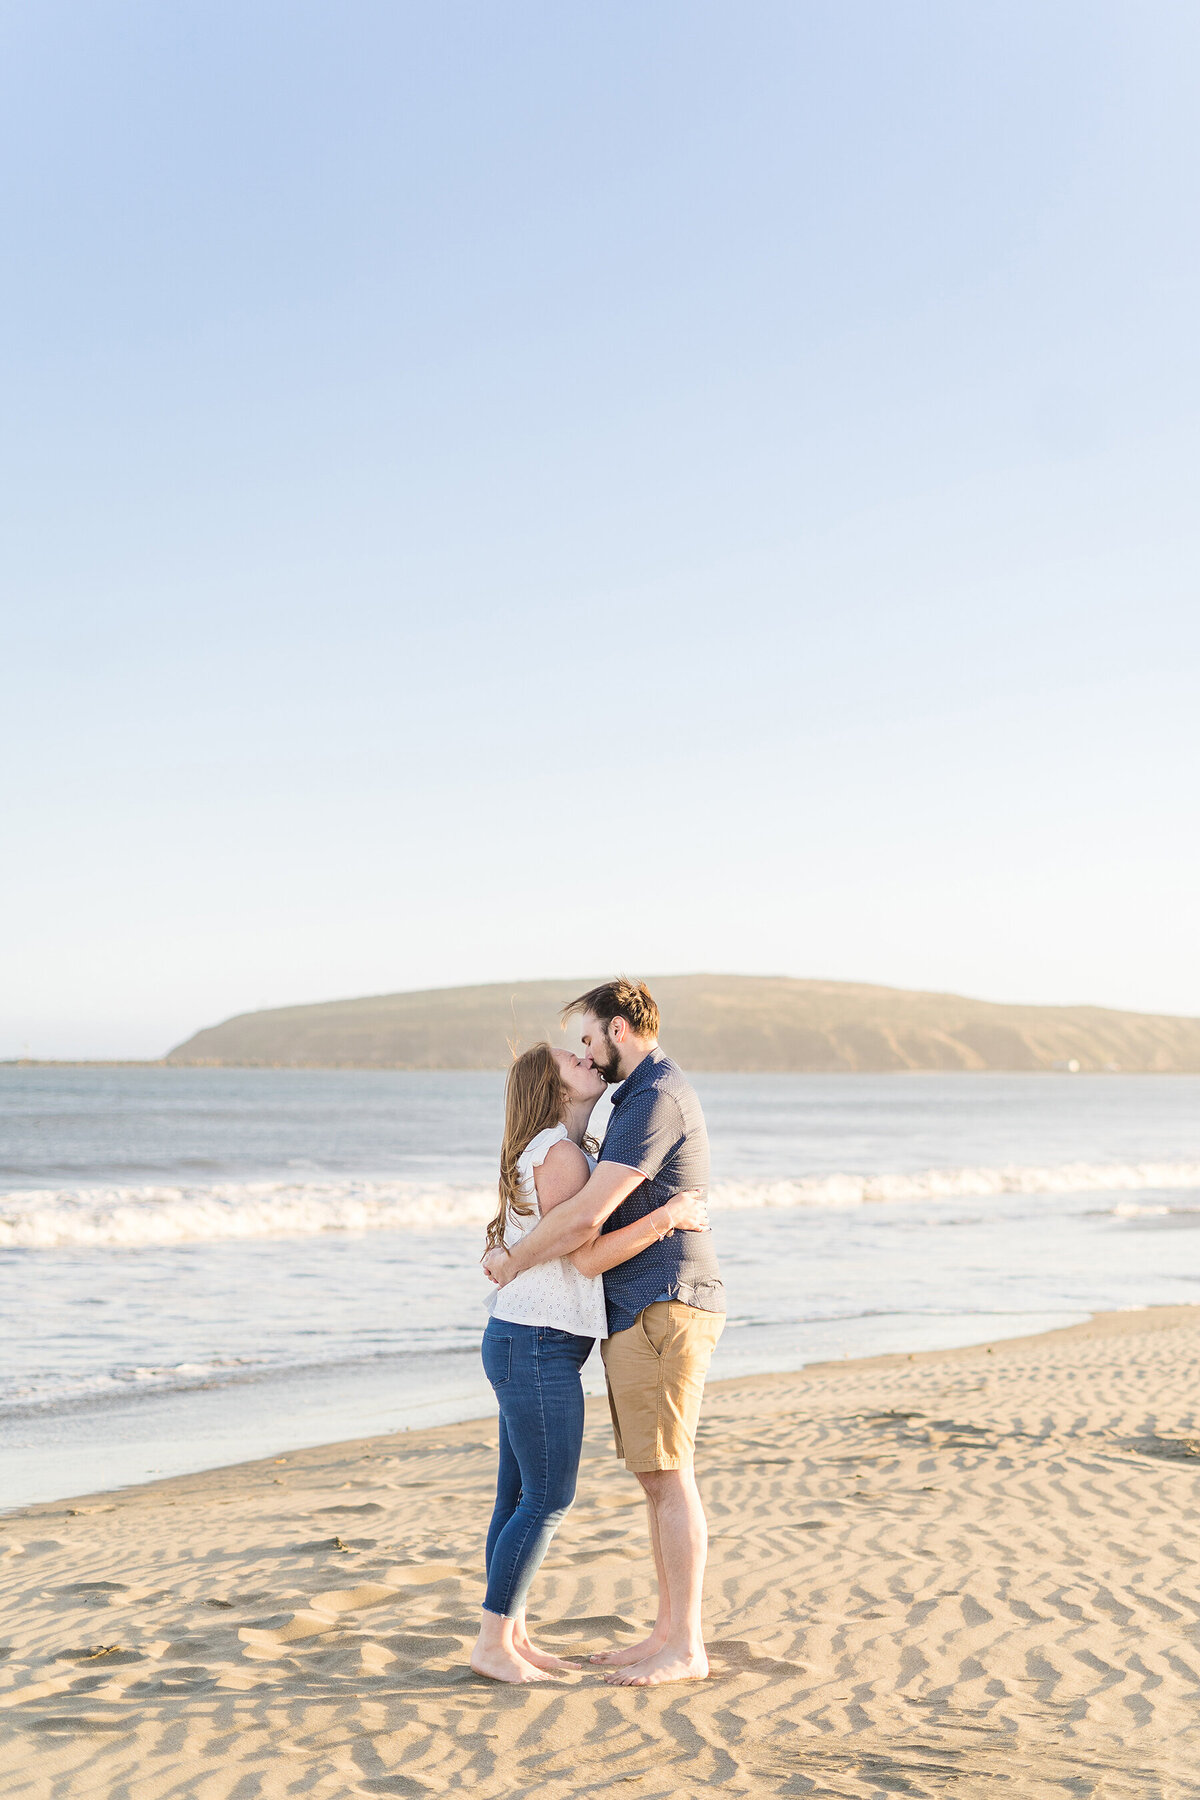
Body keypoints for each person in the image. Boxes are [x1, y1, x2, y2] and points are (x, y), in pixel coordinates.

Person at [483, 979, 725, 1687]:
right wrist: (666, 1215)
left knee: (660, 1478)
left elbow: (583, 1225)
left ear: (620, 1029)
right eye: (575, 1056)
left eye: (589, 1042)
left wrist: (510, 1256)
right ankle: (516, 1638)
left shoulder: (645, 1100)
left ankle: (677, 1641)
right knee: (583, 1491)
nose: (588, 1057)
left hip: (654, 1306)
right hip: (562, 1330)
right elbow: (581, 1233)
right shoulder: (583, 1135)